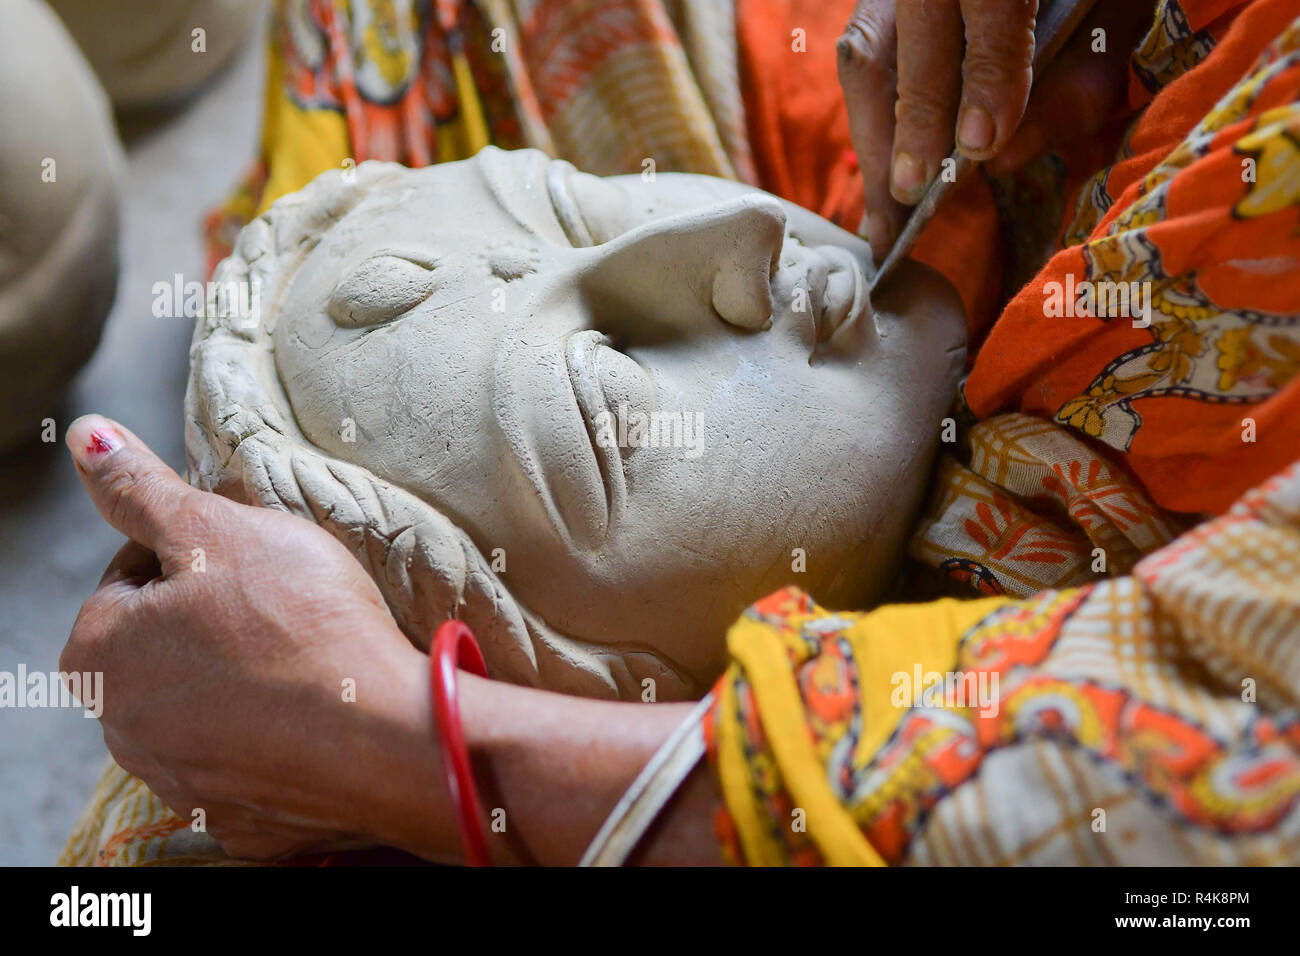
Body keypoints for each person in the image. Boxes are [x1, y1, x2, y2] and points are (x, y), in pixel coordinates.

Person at [62, 0, 1300, 866]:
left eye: (573, 200)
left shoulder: (708, 66)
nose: (728, 247)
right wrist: (416, 747)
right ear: (642, 695)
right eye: (609, 404)